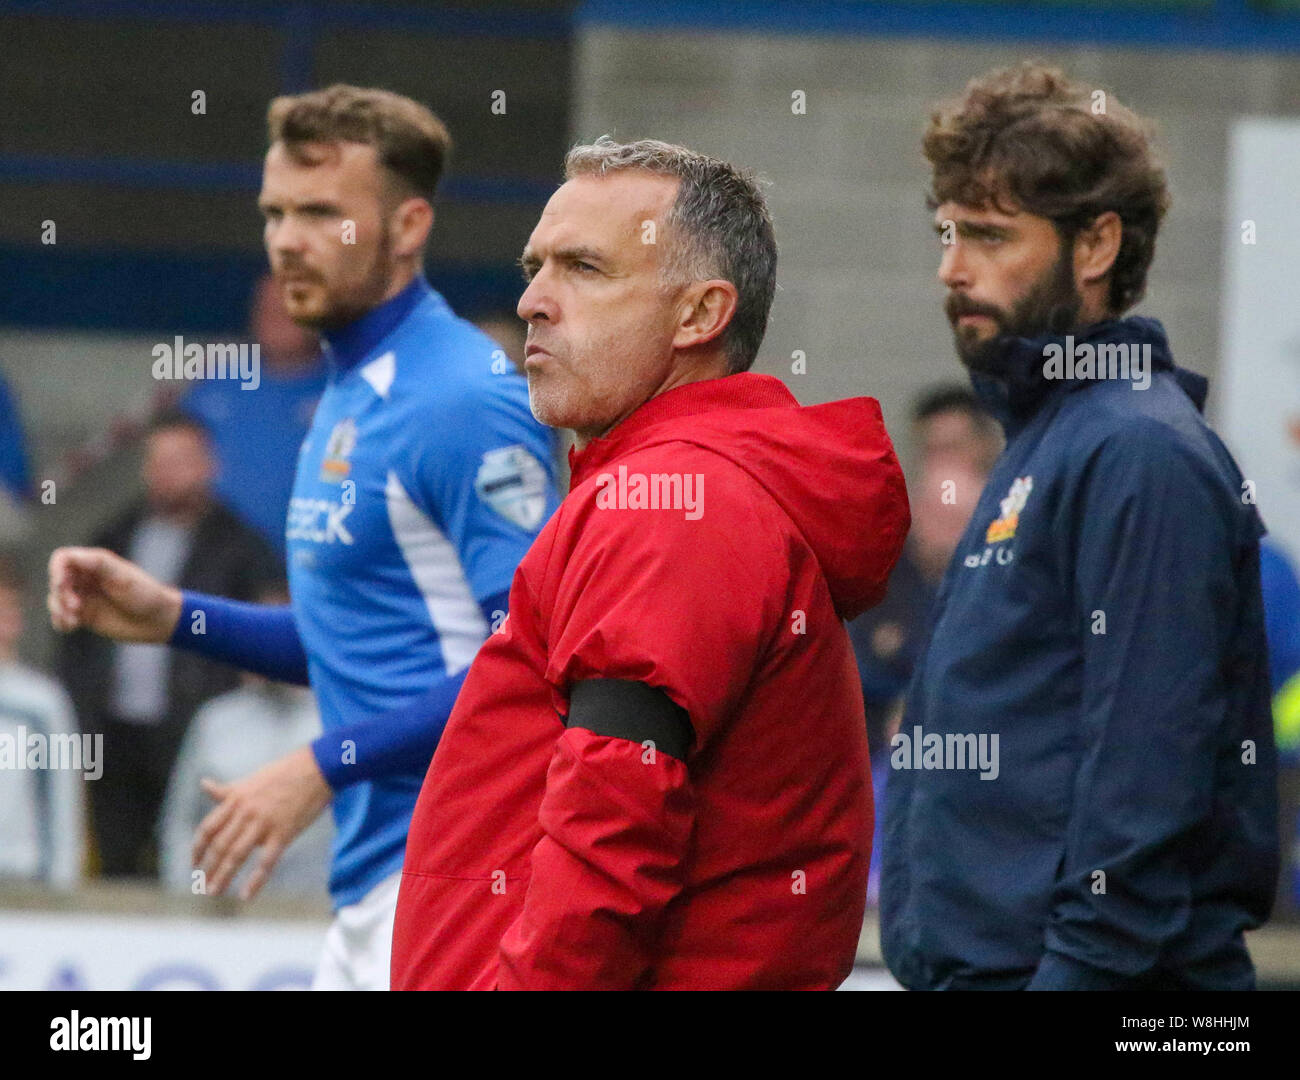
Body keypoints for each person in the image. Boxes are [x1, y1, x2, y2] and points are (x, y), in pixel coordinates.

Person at [48, 85, 558, 990]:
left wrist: (324, 762)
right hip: (379, 884)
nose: (286, 238)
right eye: (275, 212)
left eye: (322, 212)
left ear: (408, 225)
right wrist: (175, 616)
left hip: (467, 875)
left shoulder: (463, 397)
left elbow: (532, 659)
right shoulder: (351, 383)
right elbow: (363, 638)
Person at [391, 137, 910, 990]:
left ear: (700, 316)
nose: (531, 301)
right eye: (535, 267)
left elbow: (610, 827)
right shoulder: (683, 485)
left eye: (584, 269)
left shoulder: (673, 498)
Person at [880, 62, 1278, 990]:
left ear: (1096, 244)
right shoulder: (1049, 439)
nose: (952, 268)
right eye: (946, 233)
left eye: (986, 235)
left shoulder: (1138, 453)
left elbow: (1147, 784)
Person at [57, 411, 282, 878]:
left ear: (210, 465)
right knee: (115, 862)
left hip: (197, 731)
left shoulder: (244, 548)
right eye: (156, 460)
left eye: (180, 460)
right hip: (113, 733)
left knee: (188, 848)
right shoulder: (112, 538)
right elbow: (76, 637)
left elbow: (270, 629)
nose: (165, 472)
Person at [181, 274, 326, 556]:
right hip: (218, 570)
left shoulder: (347, 390)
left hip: (310, 567)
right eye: (267, 310)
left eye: (288, 310)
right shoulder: (215, 385)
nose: (276, 319)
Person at [0, 553, 84, 889]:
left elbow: (64, 807)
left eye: (9, 606)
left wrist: (61, 892)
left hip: (23, 884)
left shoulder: (44, 703)